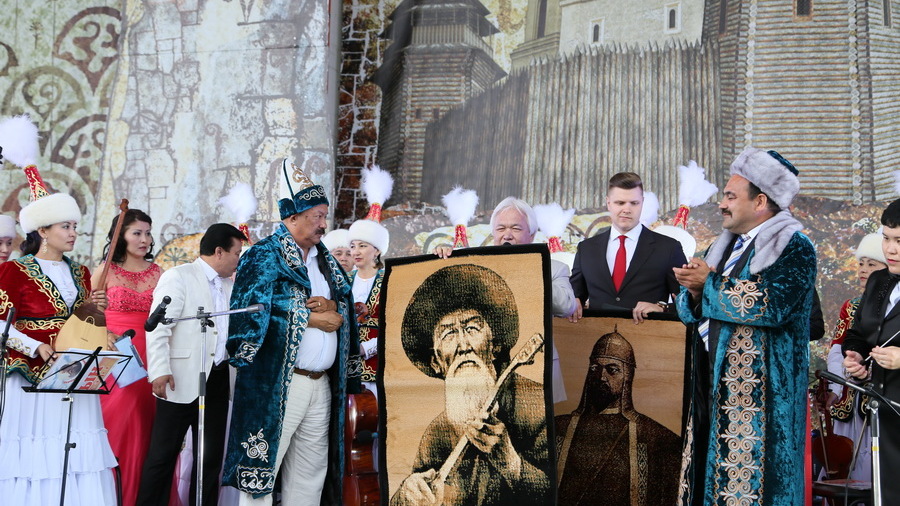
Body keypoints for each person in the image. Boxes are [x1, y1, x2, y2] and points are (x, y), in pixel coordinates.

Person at [673, 148, 815, 504]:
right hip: (710, 389)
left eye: (731, 196)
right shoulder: (721, 247)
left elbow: (772, 305)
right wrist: (694, 292)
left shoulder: (795, 247)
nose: (722, 204)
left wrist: (708, 285)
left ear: (760, 201)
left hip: (761, 404)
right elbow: (689, 310)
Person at [223, 159, 361, 506]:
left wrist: (332, 306)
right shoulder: (263, 255)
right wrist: (309, 318)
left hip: (321, 382)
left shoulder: (326, 261)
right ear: (293, 217)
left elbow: (344, 304)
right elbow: (248, 312)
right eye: (316, 216)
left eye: (324, 216)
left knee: (310, 474)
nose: (323, 224)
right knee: (261, 474)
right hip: (280, 384)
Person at [0, 168, 116, 504]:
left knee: (76, 445)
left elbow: (80, 322)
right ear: (42, 231)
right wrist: (35, 346)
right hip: (30, 371)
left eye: (75, 226)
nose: (73, 233)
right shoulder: (13, 270)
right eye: (66, 226)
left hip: (73, 367)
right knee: (35, 447)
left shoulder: (81, 272)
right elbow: (1, 323)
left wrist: (96, 311)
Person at [391, 264, 550, 506]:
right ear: (436, 362)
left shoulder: (537, 405)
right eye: (448, 334)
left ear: (494, 346)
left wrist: (510, 462)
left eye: (472, 328)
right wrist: (405, 496)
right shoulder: (436, 434)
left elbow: (562, 490)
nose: (463, 345)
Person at [136, 223, 245, 506]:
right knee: (163, 454)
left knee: (210, 458)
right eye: (236, 253)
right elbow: (158, 328)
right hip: (180, 376)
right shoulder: (179, 276)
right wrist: (160, 370)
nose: (238, 259)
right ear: (219, 252)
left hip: (218, 377)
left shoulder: (230, 285)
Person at [435, 197, 576, 402]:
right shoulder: (475, 266)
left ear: (532, 234)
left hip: (537, 369)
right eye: (501, 228)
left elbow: (566, 306)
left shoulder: (555, 268)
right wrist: (440, 258)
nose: (507, 235)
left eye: (516, 228)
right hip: (484, 376)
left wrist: (531, 269)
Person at [555, 330, 680, 505]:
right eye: (595, 368)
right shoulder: (558, 429)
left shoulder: (657, 438)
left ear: (627, 375)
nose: (601, 377)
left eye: (612, 370)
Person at [95, 209, 163, 506]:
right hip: (116, 354)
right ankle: (114, 495)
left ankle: (144, 497)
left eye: (147, 233)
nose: (144, 239)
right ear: (120, 235)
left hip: (152, 353)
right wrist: (105, 333)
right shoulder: (105, 270)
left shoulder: (159, 272)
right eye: (137, 233)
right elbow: (88, 316)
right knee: (121, 419)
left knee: (150, 425)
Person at [569, 172, 687, 324]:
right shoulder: (586, 248)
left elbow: (689, 303)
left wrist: (663, 308)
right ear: (608, 203)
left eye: (634, 203)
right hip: (596, 335)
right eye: (620, 203)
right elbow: (574, 296)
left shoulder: (668, 248)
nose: (627, 209)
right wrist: (572, 301)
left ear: (642, 202)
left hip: (648, 335)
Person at [843, 199, 900, 503]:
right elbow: (858, 334)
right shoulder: (879, 281)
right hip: (883, 414)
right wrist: (855, 355)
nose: (890, 249)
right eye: (886, 238)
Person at [818, 233, 886, 482]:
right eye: (861, 263)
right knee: (846, 460)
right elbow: (837, 350)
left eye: (872, 264)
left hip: (882, 395)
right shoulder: (851, 306)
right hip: (851, 396)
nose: (863, 270)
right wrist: (837, 387)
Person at [347, 218, 388, 395]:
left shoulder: (388, 280)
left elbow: (395, 326)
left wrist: (367, 348)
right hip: (345, 365)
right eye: (353, 246)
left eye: (362, 246)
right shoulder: (344, 281)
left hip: (377, 364)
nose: (356, 251)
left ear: (377, 250)